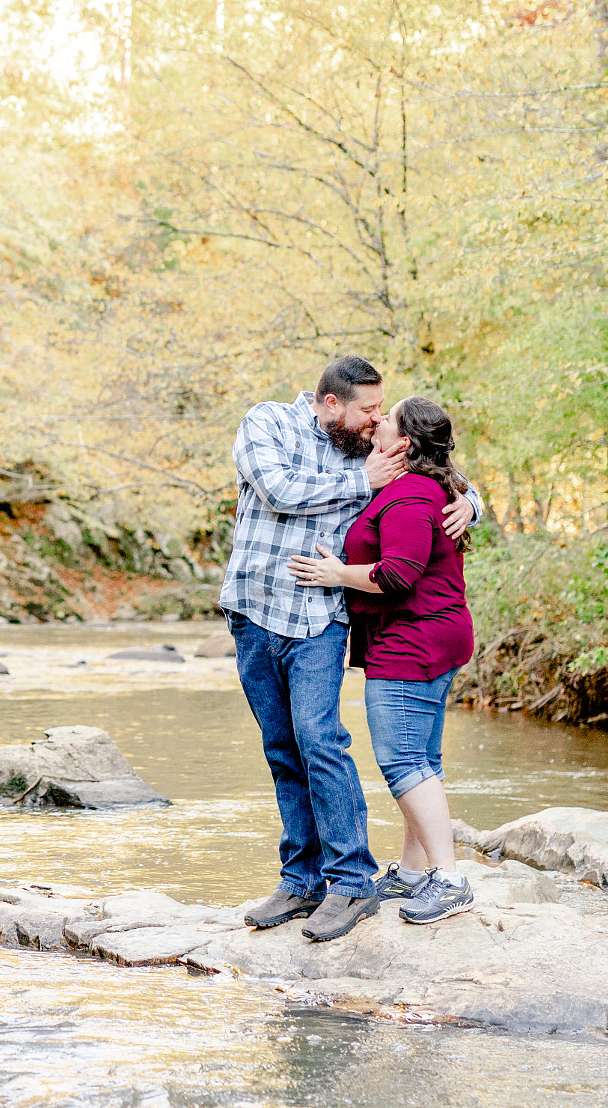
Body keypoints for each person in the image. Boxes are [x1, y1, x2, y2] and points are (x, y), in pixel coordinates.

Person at [218, 358, 478, 943]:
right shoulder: (269, 426)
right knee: (282, 749)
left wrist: (470, 502)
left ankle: (352, 882)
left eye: (380, 412)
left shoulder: (367, 445)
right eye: (367, 410)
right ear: (331, 403)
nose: (376, 420)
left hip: (319, 618)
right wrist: (364, 482)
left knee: (320, 742)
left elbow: (432, 472)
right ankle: (300, 879)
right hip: (255, 609)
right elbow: (279, 491)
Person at [288, 395, 477, 924]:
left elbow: (397, 575)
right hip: (428, 638)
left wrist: (338, 575)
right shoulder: (414, 485)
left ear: (405, 443)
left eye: (387, 418)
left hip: (413, 642)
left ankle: (450, 879)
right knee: (423, 759)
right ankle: (416, 873)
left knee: (403, 762)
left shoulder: (411, 495)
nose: (377, 421)